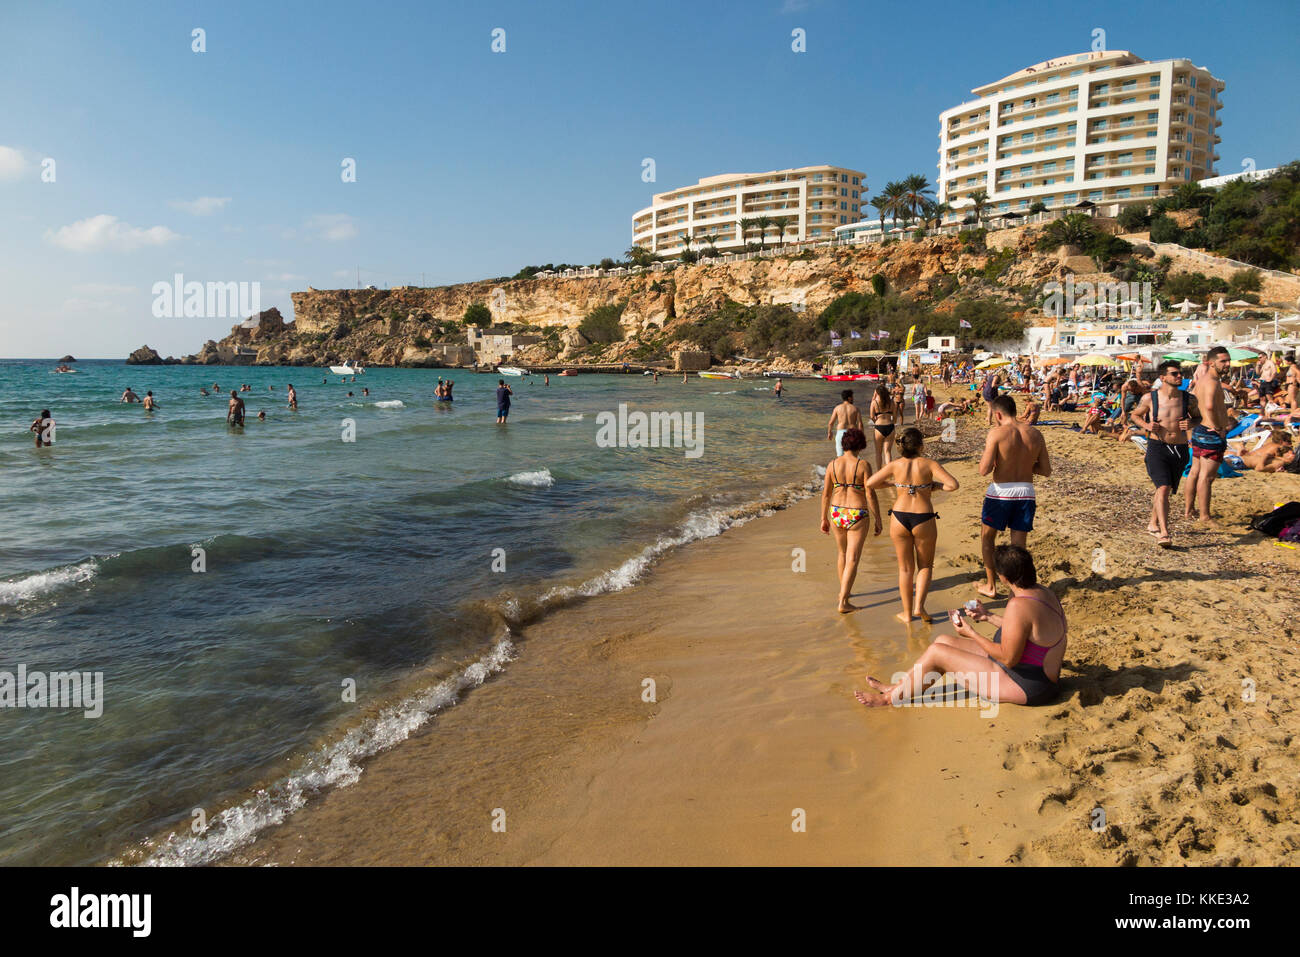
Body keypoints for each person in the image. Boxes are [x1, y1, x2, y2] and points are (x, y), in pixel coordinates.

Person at [854, 545, 1066, 708]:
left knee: (937, 653)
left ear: (1003, 577)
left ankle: (888, 700)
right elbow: (1025, 631)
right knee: (942, 641)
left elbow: (1009, 658)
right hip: (1029, 670)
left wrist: (971, 633)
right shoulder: (1043, 592)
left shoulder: (1019, 604)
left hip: (1030, 685)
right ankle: (899, 686)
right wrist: (987, 616)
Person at [866, 427, 959, 623]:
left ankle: (907, 614)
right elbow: (953, 485)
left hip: (899, 517)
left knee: (905, 569)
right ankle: (919, 607)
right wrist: (935, 486)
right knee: (925, 567)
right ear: (920, 446)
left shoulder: (894, 465)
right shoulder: (929, 463)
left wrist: (893, 484)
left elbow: (871, 483)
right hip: (923, 516)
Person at [978, 395, 1050, 599]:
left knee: (987, 537)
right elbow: (1046, 470)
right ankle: (1016, 592)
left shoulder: (997, 433)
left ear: (998, 414)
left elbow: (983, 470)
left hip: (1001, 493)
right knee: (1019, 546)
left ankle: (991, 585)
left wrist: (1003, 463)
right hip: (1026, 493)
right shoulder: (1035, 434)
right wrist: (1025, 465)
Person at [819, 428, 882, 613]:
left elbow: (825, 494)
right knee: (853, 558)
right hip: (857, 512)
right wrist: (878, 518)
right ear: (860, 444)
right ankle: (844, 602)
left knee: (842, 554)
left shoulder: (832, 464)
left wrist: (823, 517)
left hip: (837, 511)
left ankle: (844, 593)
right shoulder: (863, 465)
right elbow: (870, 493)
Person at [1130, 360, 1192, 548]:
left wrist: (1192, 424)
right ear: (1163, 377)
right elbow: (1135, 415)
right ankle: (1164, 532)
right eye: (1175, 374)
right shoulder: (1151, 398)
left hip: (1180, 449)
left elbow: (1198, 417)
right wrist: (1147, 426)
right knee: (1163, 488)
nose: (1179, 376)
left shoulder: (1188, 399)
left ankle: (1152, 523)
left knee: (1164, 490)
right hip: (1158, 447)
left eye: (1180, 373)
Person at [1185, 345, 1232, 525]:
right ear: (1211, 363)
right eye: (1223, 361)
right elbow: (1210, 406)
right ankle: (1205, 516)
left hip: (1199, 430)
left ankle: (1189, 510)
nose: (1227, 364)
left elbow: (1193, 403)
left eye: (1228, 360)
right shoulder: (1212, 381)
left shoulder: (1202, 380)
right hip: (1210, 432)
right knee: (1207, 477)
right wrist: (1217, 428)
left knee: (1195, 472)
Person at [826, 390, 864, 457]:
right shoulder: (855, 409)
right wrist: (861, 436)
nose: (853, 399)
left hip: (841, 433)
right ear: (849, 398)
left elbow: (830, 423)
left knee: (840, 456)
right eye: (852, 397)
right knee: (853, 456)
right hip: (852, 433)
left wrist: (829, 432)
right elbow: (860, 424)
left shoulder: (837, 408)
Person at [868, 384, 897, 470]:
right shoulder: (892, 402)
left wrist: (875, 421)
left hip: (879, 427)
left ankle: (879, 472)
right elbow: (895, 417)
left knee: (878, 452)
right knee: (887, 452)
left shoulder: (874, 402)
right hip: (890, 426)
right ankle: (888, 472)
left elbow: (871, 416)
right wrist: (892, 422)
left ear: (877, 393)